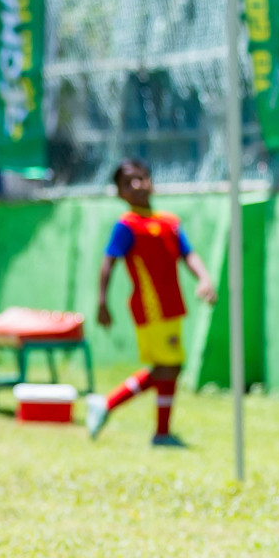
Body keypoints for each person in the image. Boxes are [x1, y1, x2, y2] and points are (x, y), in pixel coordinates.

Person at [87, 159, 217, 446]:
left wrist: (204, 278)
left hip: (173, 306)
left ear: (151, 182)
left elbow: (188, 254)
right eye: (128, 182)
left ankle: (161, 433)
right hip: (151, 307)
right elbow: (109, 261)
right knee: (168, 367)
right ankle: (108, 405)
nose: (137, 185)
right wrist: (101, 301)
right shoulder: (127, 225)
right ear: (120, 193)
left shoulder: (169, 222)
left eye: (142, 178)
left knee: (168, 366)